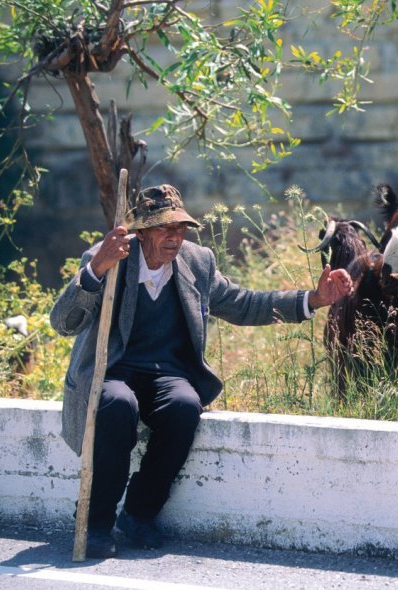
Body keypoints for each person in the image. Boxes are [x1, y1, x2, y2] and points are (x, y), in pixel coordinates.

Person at [50, 184, 353, 558]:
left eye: (180, 229)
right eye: (164, 229)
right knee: (116, 405)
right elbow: (63, 322)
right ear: (140, 232)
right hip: (113, 370)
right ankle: (95, 522)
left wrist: (313, 299)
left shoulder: (197, 260)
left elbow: (243, 305)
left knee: (184, 406)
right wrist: (96, 269)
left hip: (166, 372)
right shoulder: (110, 257)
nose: (174, 238)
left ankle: (137, 513)